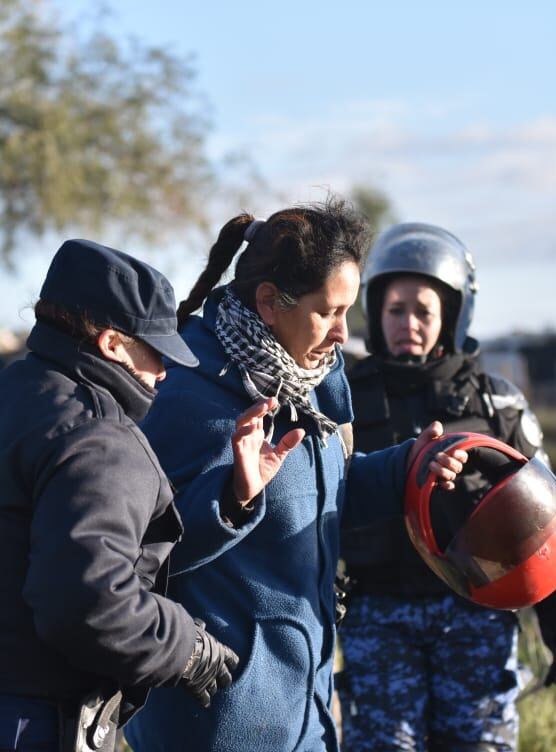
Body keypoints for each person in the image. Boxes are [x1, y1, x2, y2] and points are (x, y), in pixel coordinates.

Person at [124, 199, 466, 752]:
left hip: (304, 711)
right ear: (267, 302)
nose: (342, 332)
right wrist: (231, 500)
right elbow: (134, 557)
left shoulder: (310, 385)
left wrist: (408, 468)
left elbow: (325, 496)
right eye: (328, 311)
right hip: (214, 723)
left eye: (348, 311)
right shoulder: (187, 396)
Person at [0, 240, 239, 752]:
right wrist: (184, 645)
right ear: (113, 344)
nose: (163, 371)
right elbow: (90, 603)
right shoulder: (99, 436)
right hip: (22, 725)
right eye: (155, 351)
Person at [338, 223, 556, 751]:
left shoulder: (497, 405)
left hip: (475, 619)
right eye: (396, 309)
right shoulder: (343, 402)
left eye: (424, 311)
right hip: (378, 618)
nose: (409, 323)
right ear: (376, 313)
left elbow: (547, 521)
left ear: (451, 315)